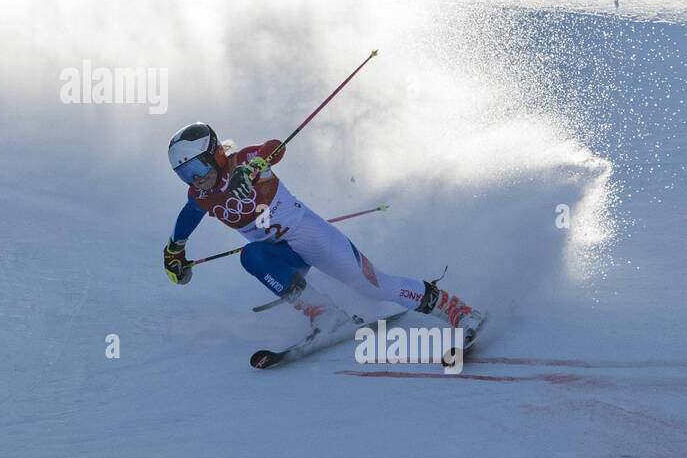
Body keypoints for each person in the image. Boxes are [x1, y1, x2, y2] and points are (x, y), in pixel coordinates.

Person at [162, 122, 485, 342]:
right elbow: (190, 214)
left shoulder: (245, 161)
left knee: (372, 286)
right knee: (252, 256)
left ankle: (459, 311)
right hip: (283, 256)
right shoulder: (200, 195)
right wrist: (175, 249)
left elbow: (274, 147)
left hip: (311, 236)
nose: (195, 179)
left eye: (198, 168)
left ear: (216, 155)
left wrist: (254, 167)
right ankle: (327, 317)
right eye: (184, 174)